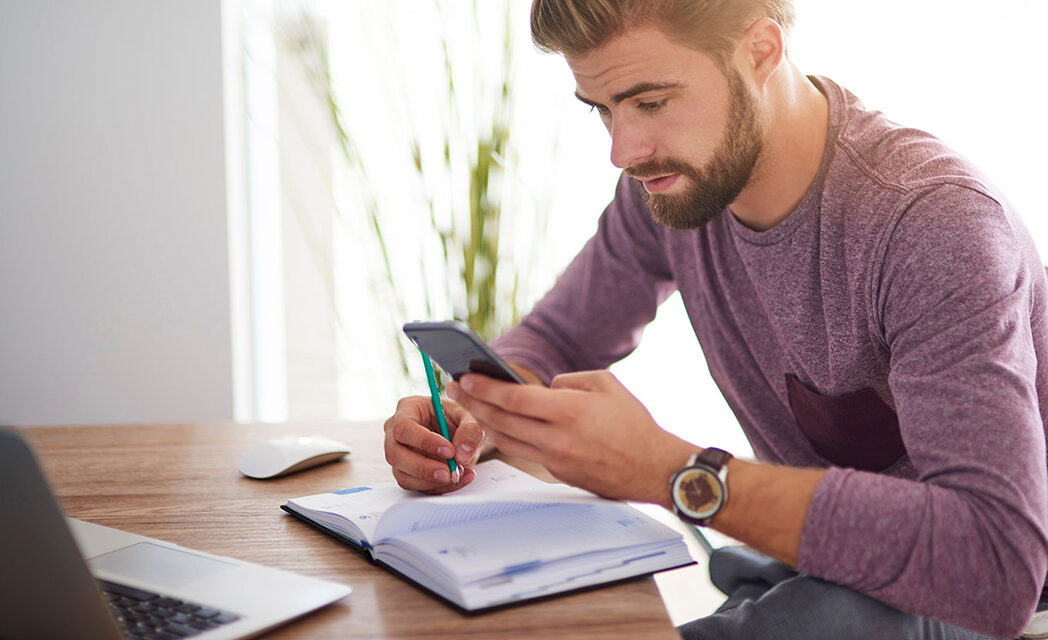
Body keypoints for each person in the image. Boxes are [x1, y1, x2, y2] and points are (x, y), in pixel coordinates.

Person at [382, 1, 1048, 638]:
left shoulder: (930, 225)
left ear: (760, 50)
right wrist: (487, 411)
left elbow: (992, 561)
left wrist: (672, 471)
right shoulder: (673, 182)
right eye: (603, 109)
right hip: (827, 568)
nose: (624, 149)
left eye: (650, 102)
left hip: (991, 591)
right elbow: (556, 338)